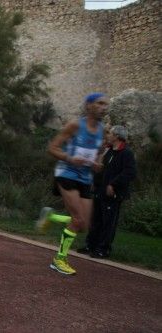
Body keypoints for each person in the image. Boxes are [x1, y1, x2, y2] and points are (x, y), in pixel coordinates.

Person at [36, 93, 109, 275]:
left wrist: (98, 163)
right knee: (77, 220)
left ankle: (51, 217)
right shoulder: (75, 125)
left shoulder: (102, 130)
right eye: (100, 104)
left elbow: (99, 151)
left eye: (106, 105)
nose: (104, 107)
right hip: (67, 173)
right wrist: (69, 157)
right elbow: (52, 148)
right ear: (89, 105)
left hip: (85, 177)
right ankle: (59, 260)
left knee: (84, 226)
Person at [78, 125, 136, 258]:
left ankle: (103, 249)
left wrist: (113, 184)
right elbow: (102, 170)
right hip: (100, 191)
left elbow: (130, 173)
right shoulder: (109, 151)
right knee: (96, 220)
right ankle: (90, 245)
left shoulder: (126, 153)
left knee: (108, 222)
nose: (108, 135)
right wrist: (94, 182)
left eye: (110, 133)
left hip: (113, 194)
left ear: (117, 136)